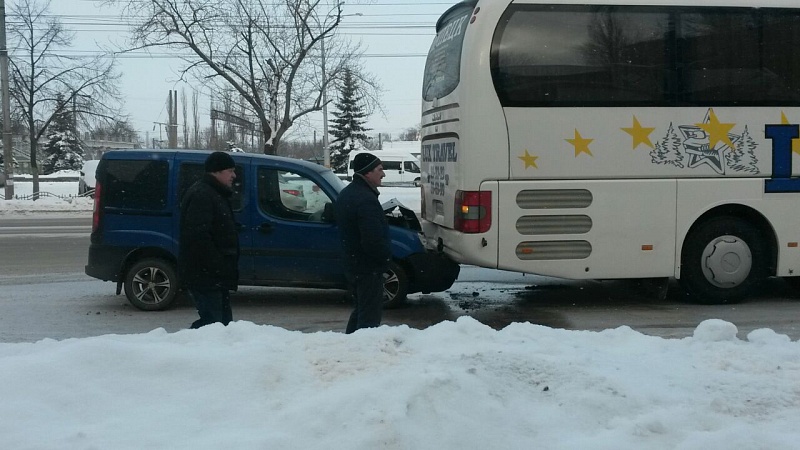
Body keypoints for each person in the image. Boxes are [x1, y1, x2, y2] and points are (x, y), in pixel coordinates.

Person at [179, 151, 240, 329]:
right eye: (230, 171)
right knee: (212, 326)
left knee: (221, 325)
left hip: (214, 276)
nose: (234, 175)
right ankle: (189, 353)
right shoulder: (203, 195)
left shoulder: (216, 193)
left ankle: (214, 354)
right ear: (216, 171)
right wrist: (218, 264)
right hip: (205, 276)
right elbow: (197, 238)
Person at [335, 152, 391, 334]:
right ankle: (364, 352)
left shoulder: (348, 193)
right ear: (368, 172)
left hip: (353, 264)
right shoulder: (365, 200)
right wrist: (384, 258)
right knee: (369, 318)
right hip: (367, 267)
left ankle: (350, 345)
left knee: (361, 309)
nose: (383, 174)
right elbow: (372, 240)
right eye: (380, 170)